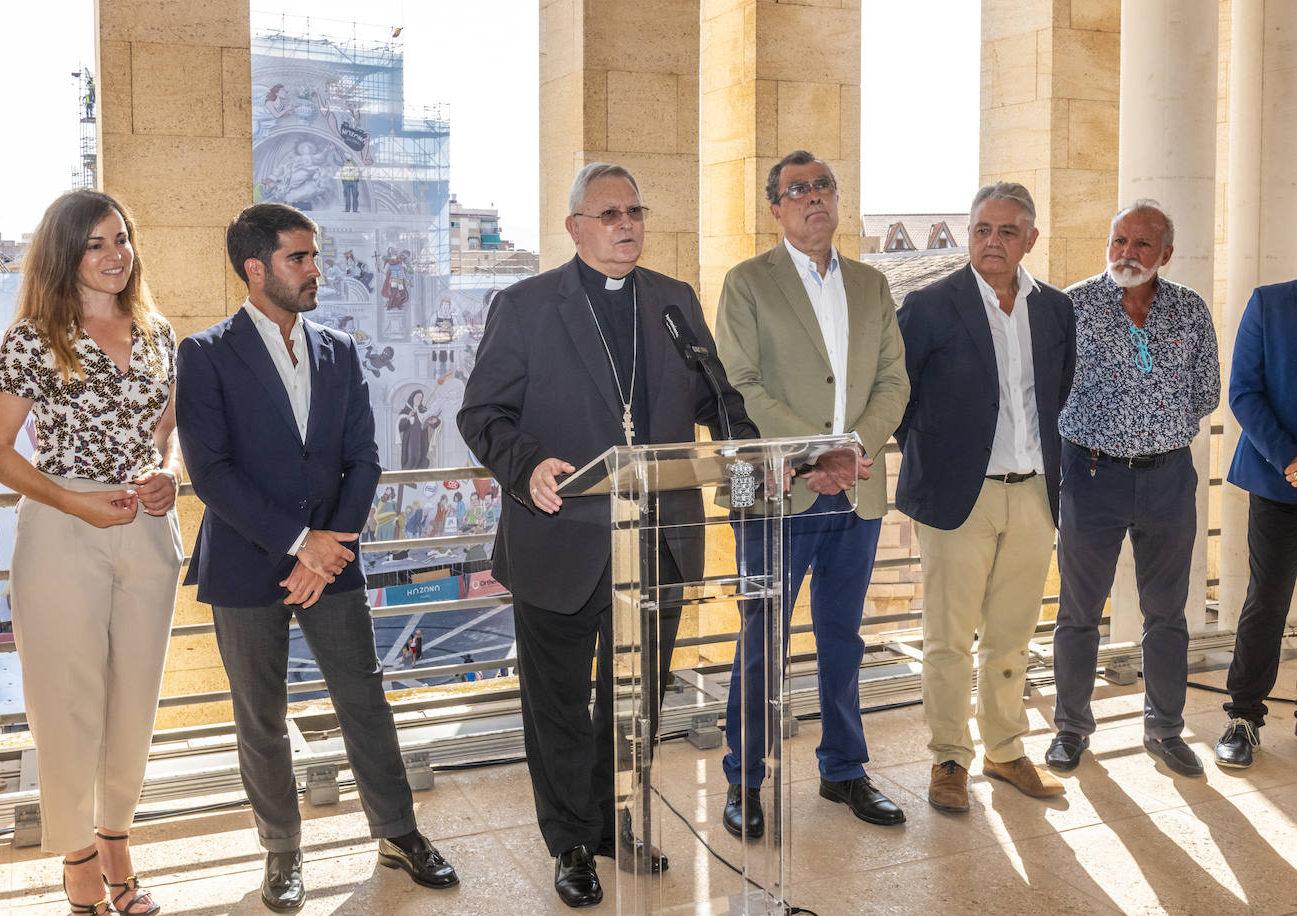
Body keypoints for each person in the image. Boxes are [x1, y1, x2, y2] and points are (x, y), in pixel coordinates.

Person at [457, 162, 756, 908]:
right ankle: (569, 843)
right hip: (560, 536)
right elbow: (482, 413)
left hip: (655, 540)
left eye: (635, 211)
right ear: (575, 228)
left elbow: (718, 394)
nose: (627, 224)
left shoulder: (672, 302)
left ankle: (610, 821)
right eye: (610, 213)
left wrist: (745, 447)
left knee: (636, 703)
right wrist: (524, 466)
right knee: (557, 705)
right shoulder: (525, 305)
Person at [176, 203, 458, 912]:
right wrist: (300, 543)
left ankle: (399, 833)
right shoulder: (205, 354)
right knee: (260, 717)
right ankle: (282, 851)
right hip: (245, 563)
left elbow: (364, 459)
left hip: (333, 559)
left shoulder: (340, 349)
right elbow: (210, 474)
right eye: (299, 257)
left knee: (363, 699)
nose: (314, 269)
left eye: (313, 256)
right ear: (256, 268)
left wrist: (327, 549)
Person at [0, 190, 183, 916]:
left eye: (121, 239)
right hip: (63, 526)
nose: (114, 254)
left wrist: (170, 475)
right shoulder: (36, 336)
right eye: (95, 243)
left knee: (135, 700)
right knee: (65, 702)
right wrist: (73, 502)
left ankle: (117, 836)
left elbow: (166, 431)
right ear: (65, 253)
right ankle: (80, 859)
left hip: (148, 532)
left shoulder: (159, 332)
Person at [713, 150, 910, 837]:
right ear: (775, 208)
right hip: (776, 493)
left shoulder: (870, 284)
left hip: (854, 488)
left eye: (823, 185)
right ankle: (745, 779)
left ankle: (844, 771)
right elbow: (740, 384)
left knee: (842, 638)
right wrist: (813, 453)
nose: (813, 198)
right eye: (796, 190)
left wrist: (850, 450)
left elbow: (895, 381)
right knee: (761, 638)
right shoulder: (746, 283)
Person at [896, 182, 1074, 812]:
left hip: (1032, 496)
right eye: (981, 230)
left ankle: (1004, 751)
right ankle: (949, 758)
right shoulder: (928, 306)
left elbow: (1058, 396)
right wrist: (941, 456)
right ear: (968, 233)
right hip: (957, 500)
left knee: (1012, 634)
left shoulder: (1054, 310)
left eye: (1006, 232)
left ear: (1030, 239)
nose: (991, 242)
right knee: (947, 635)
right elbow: (899, 399)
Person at [1048, 200, 1220, 777]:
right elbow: (1048, 391)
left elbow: (1206, 392)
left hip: (1169, 479)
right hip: (1091, 477)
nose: (1126, 253)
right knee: (1078, 611)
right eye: (1119, 241)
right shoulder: (1072, 306)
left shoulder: (1190, 311)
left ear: (1165, 255)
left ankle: (1166, 729)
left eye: (1141, 245)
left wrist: (1156, 434)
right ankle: (1071, 729)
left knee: (1167, 613)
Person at [1213, 279, 1297, 768]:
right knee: (1267, 598)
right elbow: (1244, 391)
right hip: (1278, 480)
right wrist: (1289, 459)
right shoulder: (1271, 301)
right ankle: (1244, 717)